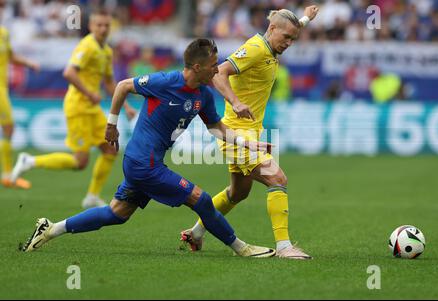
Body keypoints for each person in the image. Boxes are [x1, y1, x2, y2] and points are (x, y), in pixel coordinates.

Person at [20, 38, 276, 259]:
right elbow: (122, 86)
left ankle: (51, 229)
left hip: (147, 162)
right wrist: (112, 124)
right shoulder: (165, 81)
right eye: (213, 65)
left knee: (117, 213)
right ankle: (241, 248)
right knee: (202, 199)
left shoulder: (204, 96)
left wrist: (248, 143)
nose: (217, 70)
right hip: (144, 164)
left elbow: (216, 128)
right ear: (197, 67)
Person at [181, 6, 319, 260]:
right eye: (286, 37)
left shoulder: (272, 43)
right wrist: (235, 101)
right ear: (272, 29)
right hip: (237, 135)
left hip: (249, 133)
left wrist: (306, 18)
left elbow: (289, 26)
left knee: (238, 193)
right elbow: (219, 73)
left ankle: (197, 232)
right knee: (277, 179)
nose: (289, 43)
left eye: (293, 39)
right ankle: (284, 246)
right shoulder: (255, 49)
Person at [11, 10, 136, 208]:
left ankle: (92, 196)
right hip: (78, 106)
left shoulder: (106, 51)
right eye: (99, 25)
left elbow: (110, 82)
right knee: (80, 162)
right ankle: (30, 161)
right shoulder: (87, 46)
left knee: (110, 149)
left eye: (106, 26)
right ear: (91, 27)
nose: (103, 29)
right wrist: (89, 93)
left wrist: (127, 106)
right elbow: (69, 73)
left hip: (92, 108)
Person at [0, 0, 40, 189]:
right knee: (9, 127)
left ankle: (7, 174)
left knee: (8, 128)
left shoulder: (3, 33)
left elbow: (10, 56)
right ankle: (7, 174)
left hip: (2, 89)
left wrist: (28, 63)